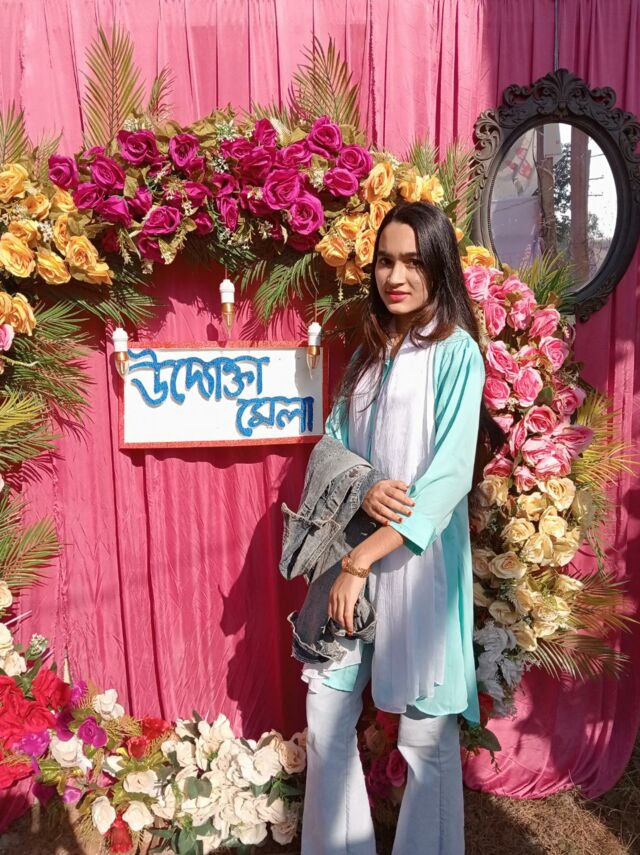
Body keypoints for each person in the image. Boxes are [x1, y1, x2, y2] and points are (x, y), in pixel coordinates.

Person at [300, 201, 502, 854]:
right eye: (386, 261)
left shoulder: (456, 352)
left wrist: (363, 562)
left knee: (425, 742)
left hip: (418, 567)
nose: (396, 275)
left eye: (413, 261)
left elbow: (448, 479)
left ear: (438, 266)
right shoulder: (368, 355)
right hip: (352, 558)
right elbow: (333, 444)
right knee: (326, 713)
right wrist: (363, 486)